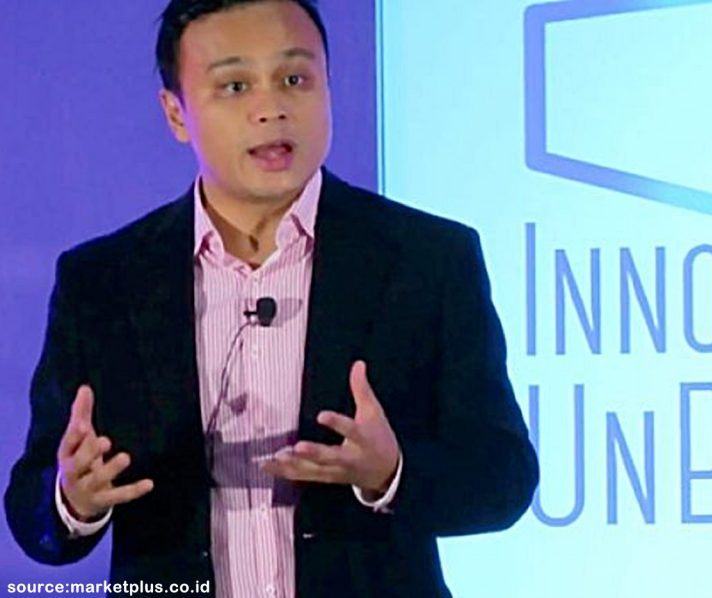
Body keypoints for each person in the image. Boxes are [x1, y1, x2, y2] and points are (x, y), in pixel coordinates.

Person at [3, 1, 539, 596]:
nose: (271, 108)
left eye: (294, 78)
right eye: (235, 86)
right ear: (177, 114)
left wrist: (391, 474)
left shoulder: (429, 259)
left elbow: (504, 478)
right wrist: (71, 499)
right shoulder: (103, 281)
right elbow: (32, 512)